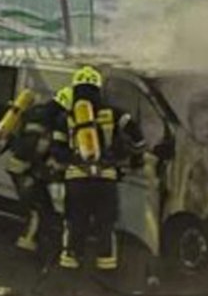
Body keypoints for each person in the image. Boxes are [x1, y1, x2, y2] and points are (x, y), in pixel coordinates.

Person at [56, 65, 145, 271]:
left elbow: (57, 150)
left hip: (76, 180)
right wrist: (134, 159)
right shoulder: (115, 114)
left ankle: (70, 260)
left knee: (74, 221)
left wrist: (72, 160)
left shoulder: (66, 118)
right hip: (106, 178)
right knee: (106, 223)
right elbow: (137, 138)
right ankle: (106, 264)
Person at [0, 85, 68, 252]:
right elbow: (37, 147)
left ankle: (39, 242)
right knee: (37, 209)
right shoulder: (55, 119)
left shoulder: (35, 111)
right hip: (24, 170)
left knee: (41, 205)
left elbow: (20, 135)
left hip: (17, 165)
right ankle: (27, 244)